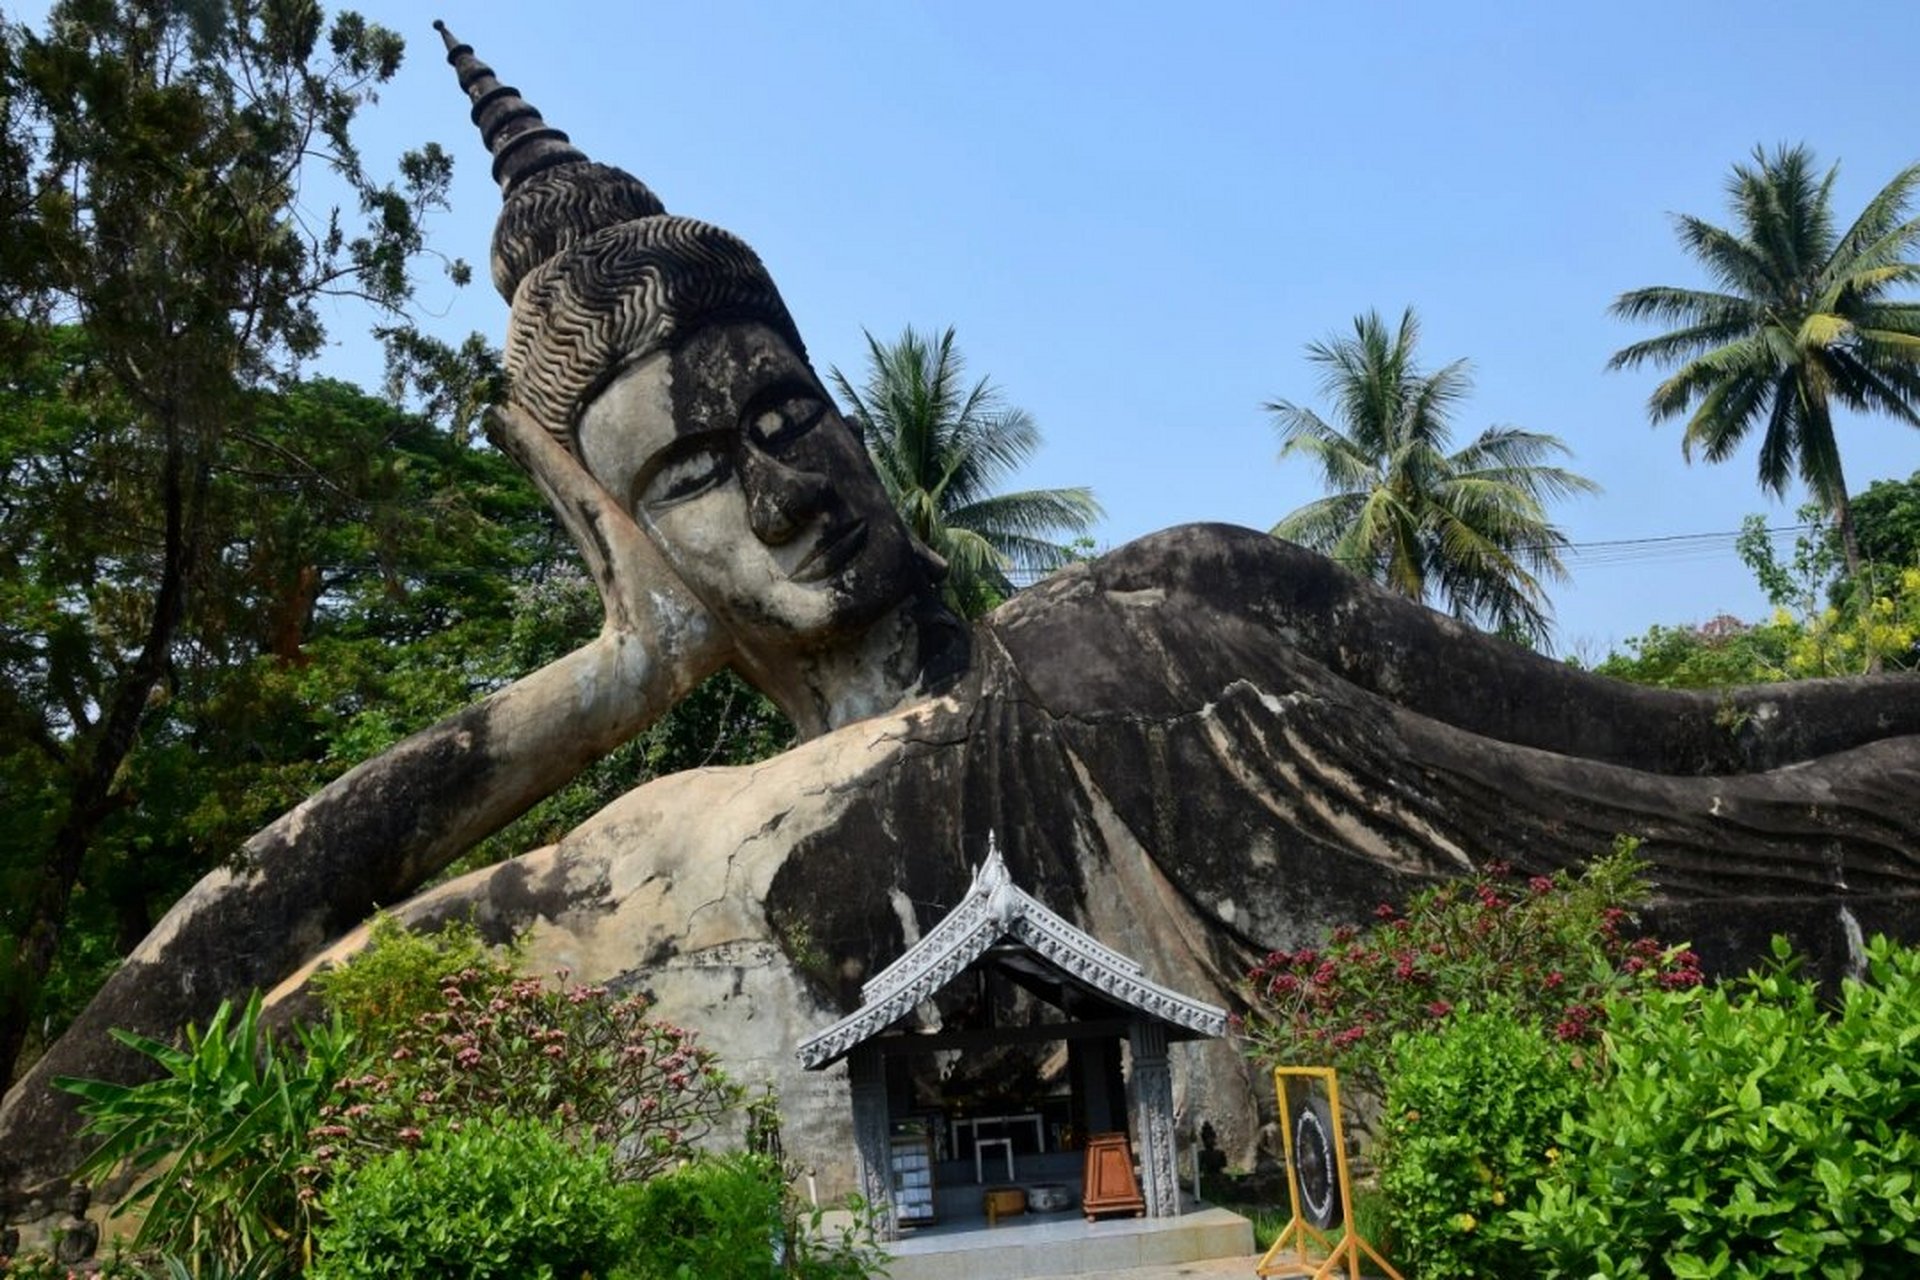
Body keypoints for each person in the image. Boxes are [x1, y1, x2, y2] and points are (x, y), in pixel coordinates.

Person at [4, 21, 1918, 1200]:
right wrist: (616, 671)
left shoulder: (1164, 605)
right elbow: (85, 1114)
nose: (786, 490)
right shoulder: (723, 847)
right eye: (693, 483)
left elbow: (1693, 757)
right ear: (622, 529)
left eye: (789, 412)